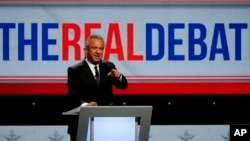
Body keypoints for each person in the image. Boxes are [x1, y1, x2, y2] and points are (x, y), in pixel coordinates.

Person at [66, 34, 128, 141]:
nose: (98, 52)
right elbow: (73, 94)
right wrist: (86, 105)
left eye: (101, 48)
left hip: (106, 124)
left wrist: (119, 77)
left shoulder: (109, 66)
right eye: (94, 48)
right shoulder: (75, 70)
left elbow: (123, 85)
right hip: (82, 124)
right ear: (86, 50)